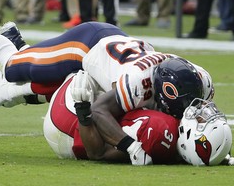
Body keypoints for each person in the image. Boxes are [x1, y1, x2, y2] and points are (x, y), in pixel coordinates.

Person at [0, 5, 212, 165]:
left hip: (111, 52)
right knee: (13, 66)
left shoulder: (199, 78)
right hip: (85, 44)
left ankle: (19, 44)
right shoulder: (138, 82)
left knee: (61, 83)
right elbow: (98, 110)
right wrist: (130, 147)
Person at [45, 71, 233, 165]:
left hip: (69, 126)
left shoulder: (159, 133)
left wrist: (83, 109)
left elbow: (97, 152)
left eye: (202, 123)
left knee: (73, 72)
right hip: (97, 115)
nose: (201, 115)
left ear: (191, 141)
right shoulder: (176, 141)